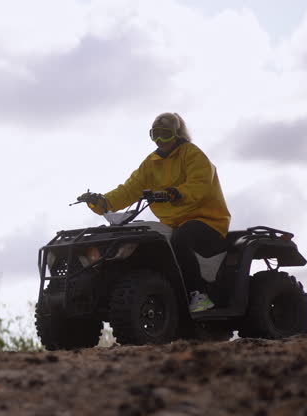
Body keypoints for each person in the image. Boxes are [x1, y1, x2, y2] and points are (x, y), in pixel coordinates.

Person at [80, 112, 231, 313]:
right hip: (173, 224)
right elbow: (129, 190)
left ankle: (199, 295)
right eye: (155, 135)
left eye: (165, 134)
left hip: (207, 221)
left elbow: (199, 185)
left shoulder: (193, 154)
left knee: (180, 239)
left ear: (176, 134)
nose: (160, 141)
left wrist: (176, 193)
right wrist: (102, 202)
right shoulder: (151, 163)